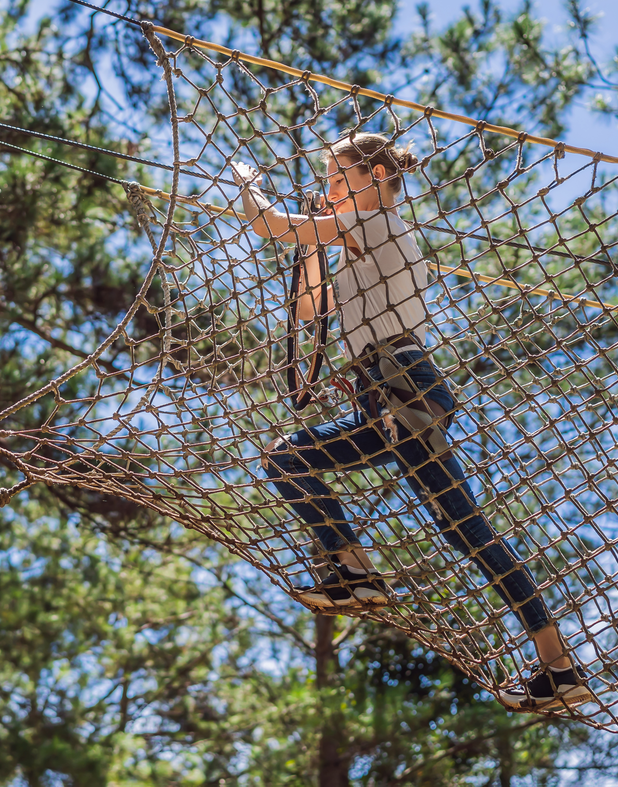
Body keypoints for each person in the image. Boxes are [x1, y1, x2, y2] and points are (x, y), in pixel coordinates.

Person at [230, 132, 593, 712]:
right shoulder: (359, 239)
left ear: (374, 179)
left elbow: (273, 225)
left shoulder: (377, 225)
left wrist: (246, 181)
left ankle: (359, 571)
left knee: (458, 528)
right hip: (387, 393)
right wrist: (315, 249)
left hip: (405, 385)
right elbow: (310, 310)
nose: (328, 189)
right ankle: (359, 573)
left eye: (336, 176)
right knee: (302, 464)